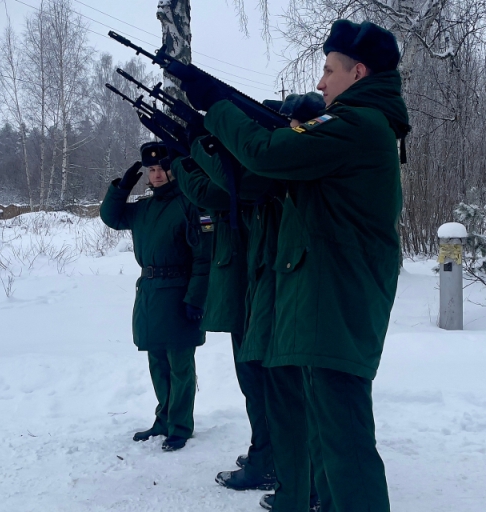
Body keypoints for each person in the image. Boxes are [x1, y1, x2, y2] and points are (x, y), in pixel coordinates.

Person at [181, 19, 410, 511]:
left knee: (344, 446)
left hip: (335, 301)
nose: (321, 82)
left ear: (359, 71)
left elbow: (267, 154)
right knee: (330, 443)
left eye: (330, 70)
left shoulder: (357, 125)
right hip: (328, 300)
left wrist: (216, 107)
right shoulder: (358, 124)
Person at [194, 94, 325, 512]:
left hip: (287, 290)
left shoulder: (300, 160)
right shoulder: (289, 163)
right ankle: (293, 478)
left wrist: (194, 145)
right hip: (265, 287)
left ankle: (302, 485)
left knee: (292, 400)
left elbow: (232, 184)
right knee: (270, 392)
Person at [171, 149, 276, 489]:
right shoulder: (249, 168)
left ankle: (269, 460)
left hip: (257, 291)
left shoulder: (256, 170)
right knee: (255, 384)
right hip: (244, 292)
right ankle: (268, 451)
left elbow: (207, 192)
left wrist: (182, 157)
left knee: (262, 385)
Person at [100, 141, 211, 452]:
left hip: (179, 293)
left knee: (180, 365)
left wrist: (196, 298)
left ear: (172, 170)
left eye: (161, 168)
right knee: (158, 363)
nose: (156, 174)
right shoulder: (144, 208)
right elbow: (112, 217)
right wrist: (121, 188)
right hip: (150, 293)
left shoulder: (190, 204)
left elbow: (204, 256)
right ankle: (162, 420)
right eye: (150, 170)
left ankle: (180, 426)